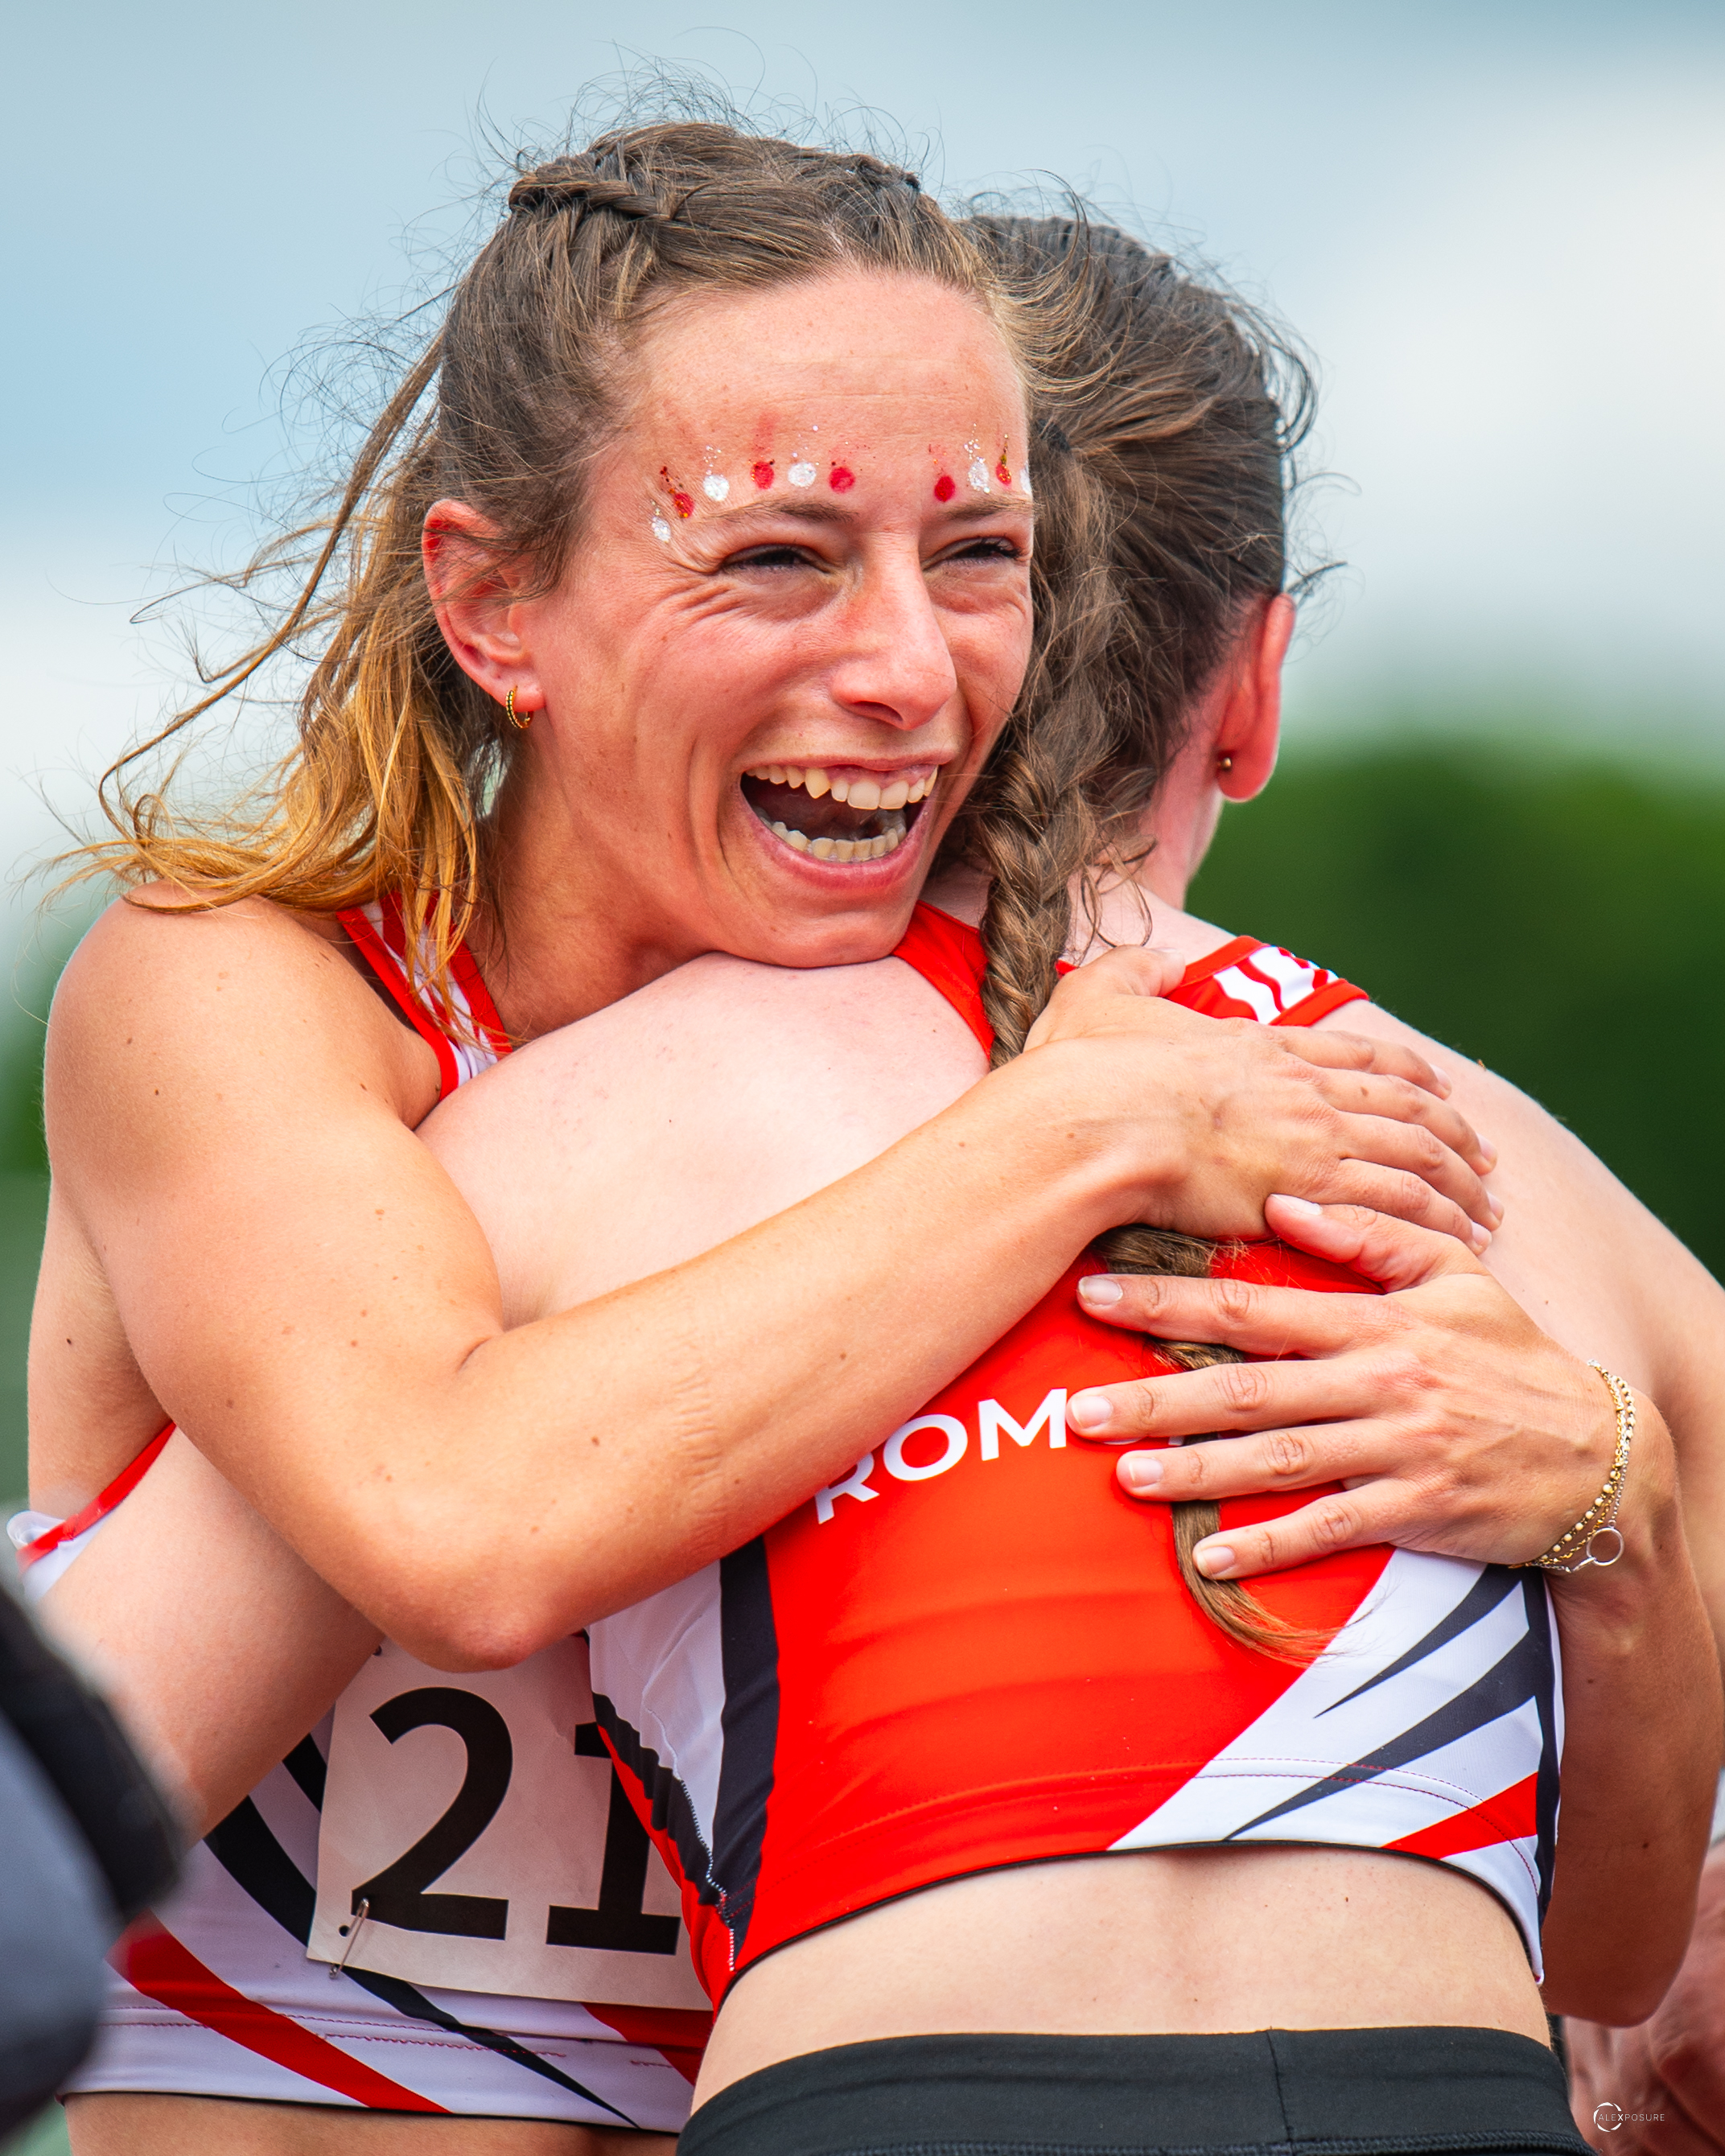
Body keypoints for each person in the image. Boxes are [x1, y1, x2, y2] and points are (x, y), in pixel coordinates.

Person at [22, 123, 1504, 2154]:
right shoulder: (250, 986)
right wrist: (1071, 1137)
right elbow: (449, 1519)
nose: (908, 671)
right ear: (495, 605)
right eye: (779, 557)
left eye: (977, 556)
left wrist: (1598, 1480)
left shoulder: (1049, 1027)